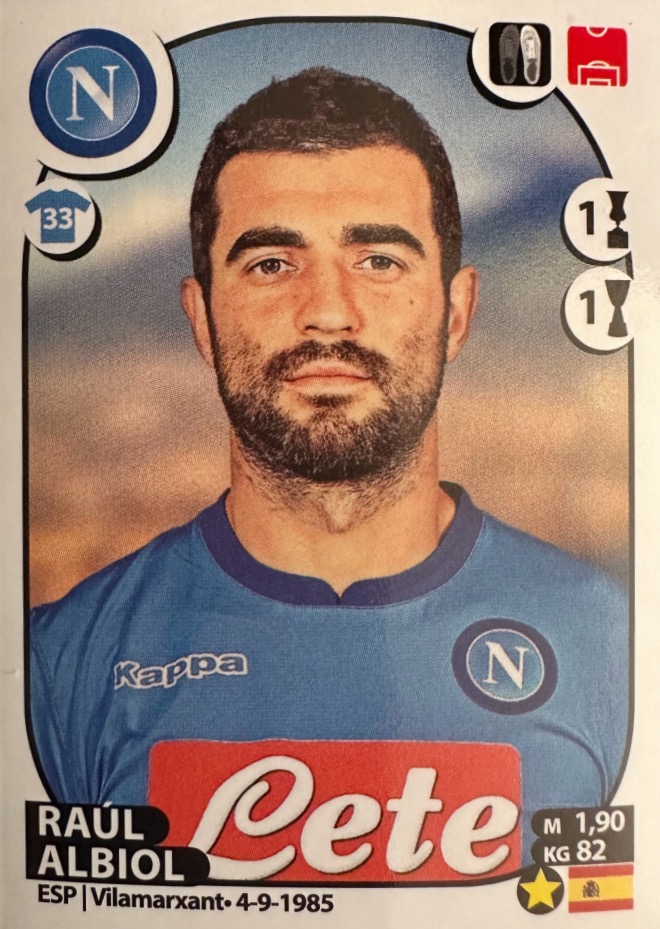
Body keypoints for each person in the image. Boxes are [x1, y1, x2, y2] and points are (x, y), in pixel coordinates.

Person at [30, 68, 627, 873]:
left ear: (456, 313)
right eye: (271, 264)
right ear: (202, 319)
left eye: (379, 259)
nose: (329, 312)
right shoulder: (62, 664)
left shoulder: (613, 643)